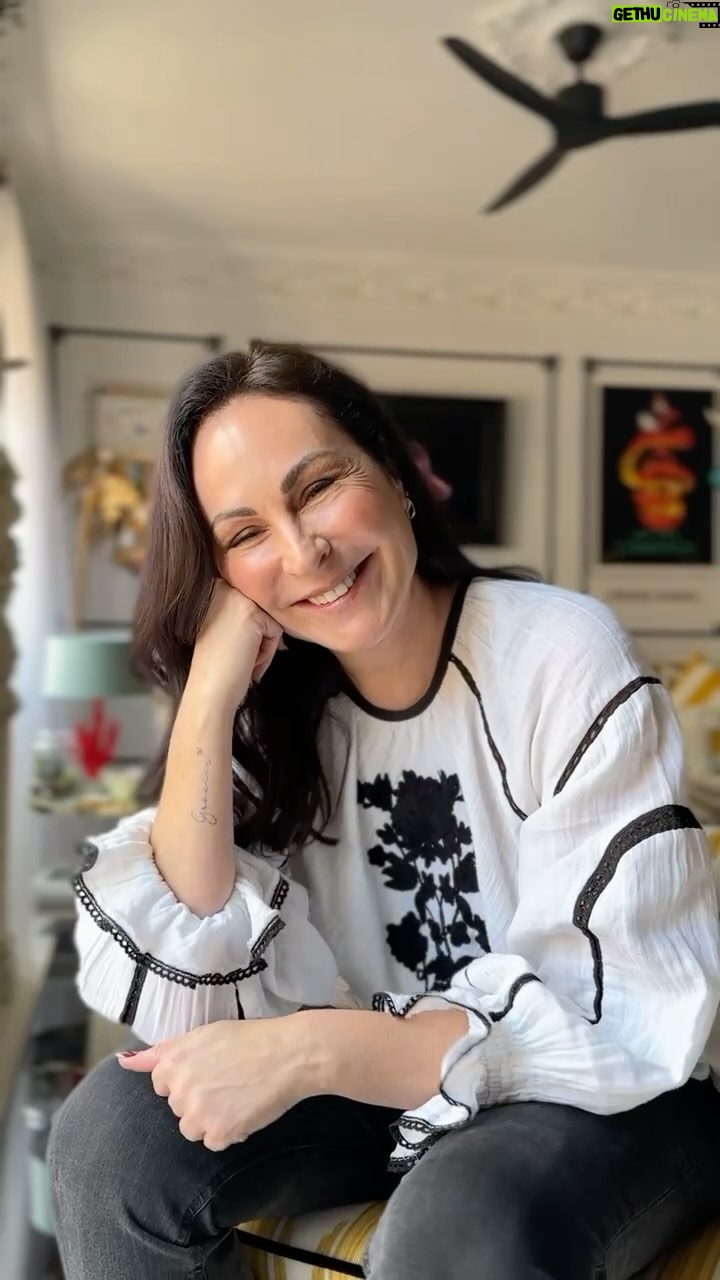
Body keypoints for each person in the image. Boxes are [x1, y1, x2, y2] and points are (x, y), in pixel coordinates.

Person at [48, 342, 720, 1280]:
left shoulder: (556, 650)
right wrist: (208, 694)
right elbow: (192, 972)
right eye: (245, 534)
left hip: (599, 1089)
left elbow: (613, 1008)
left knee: (462, 1218)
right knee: (108, 1139)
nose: (302, 552)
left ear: (395, 475)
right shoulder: (273, 707)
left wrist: (315, 1047)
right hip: (385, 1092)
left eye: (319, 487)